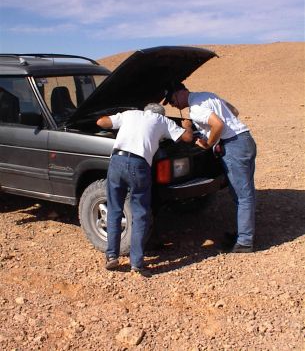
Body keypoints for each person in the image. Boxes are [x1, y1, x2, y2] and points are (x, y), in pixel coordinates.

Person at [96, 103, 193, 276]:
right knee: (140, 214)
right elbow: (187, 138)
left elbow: (101, 123)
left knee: (114, 209)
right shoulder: (162, 120)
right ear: (160, 114)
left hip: (116, 162)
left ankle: (112, 255)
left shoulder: (130, 113)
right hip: (139, 166)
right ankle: (137, 263)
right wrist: (187, 126)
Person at [163, 84, 257, 253]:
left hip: (234, 145)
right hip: (244, 139)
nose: (172, 104)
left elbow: (218, 125)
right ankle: (244, 233)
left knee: (243, 195)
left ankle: (245, 242)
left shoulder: (196, 109)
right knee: (241, 193)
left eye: (171, 99)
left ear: (181, 92)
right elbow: (234, 111)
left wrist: (208, 143)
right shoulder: (207, 95)